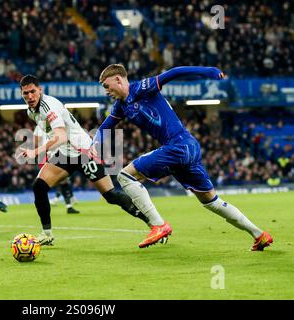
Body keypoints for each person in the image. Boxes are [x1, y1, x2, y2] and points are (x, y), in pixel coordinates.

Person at [91, 64, 273, 251]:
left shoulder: (142, 88)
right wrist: (94, 146)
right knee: (211, 201)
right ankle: (259, 234)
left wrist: (208, 71)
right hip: (188, 147)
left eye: (106, 85)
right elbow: (106, 127)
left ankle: (158, 224)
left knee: (124, 176)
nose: (106, 91)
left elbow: (174, 72)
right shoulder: (121, 106)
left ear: (118, 80)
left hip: (178, 145)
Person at [18, 75, 151, 245]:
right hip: (65, 153)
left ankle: (151, 221)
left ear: (40, 90)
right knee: (39, 186)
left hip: (84, 151)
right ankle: (47, 234)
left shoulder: (48, 106)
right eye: (25, 94)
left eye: (32, 92)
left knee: (110, 196)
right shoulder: (31, 111)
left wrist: (35, 151)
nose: (29, 97)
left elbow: (60, 135)